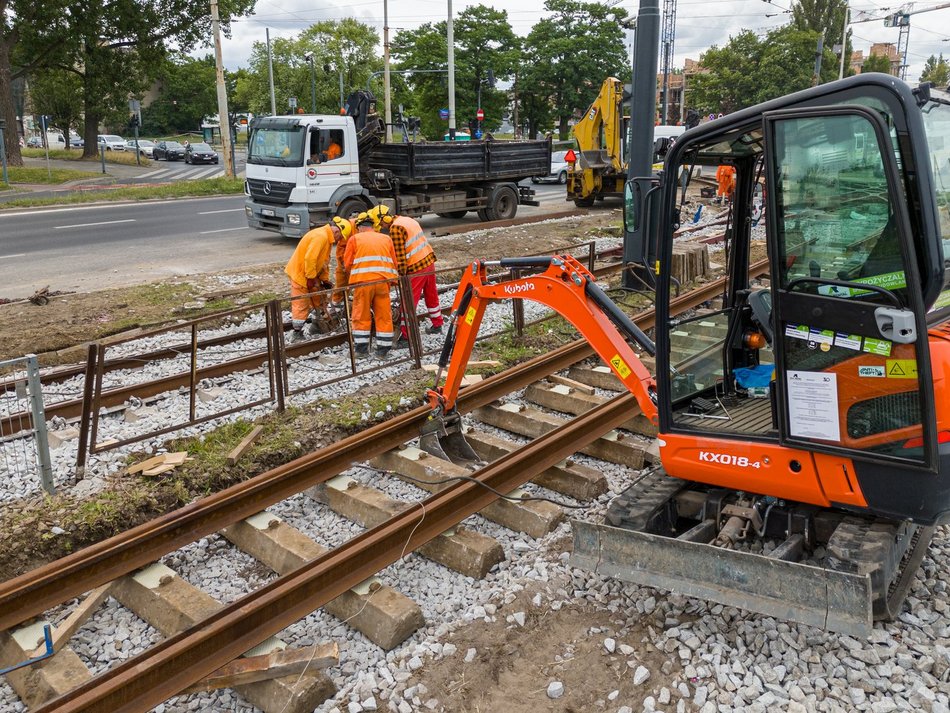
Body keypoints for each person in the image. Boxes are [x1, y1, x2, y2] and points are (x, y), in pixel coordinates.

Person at [367, 205, 443, 348]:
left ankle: (407, 337)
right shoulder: (406, 220)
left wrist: (399, 278)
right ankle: (437, 324)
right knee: (431, 294)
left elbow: (401, 259)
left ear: (385, 218)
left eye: (381, 223)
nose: (382, 227)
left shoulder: (395, 229)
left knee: (408, 303)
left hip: (416, 267)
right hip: (429, 261)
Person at [284, 216, 353, 343]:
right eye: (340, 237)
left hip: (311, 275)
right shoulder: (320, 237)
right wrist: (311, 278)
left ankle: (317, 327)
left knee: (319, 300)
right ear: (337, 231)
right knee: (301, 304)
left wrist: (324, 280)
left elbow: (323, 262)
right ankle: (297, 333)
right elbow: (310, 259)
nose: (339, 241)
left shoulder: (326, 238)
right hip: (301, 275)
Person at [345, 213, 398, 357]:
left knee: (361, 314)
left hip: (363, 283)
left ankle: (361, 350)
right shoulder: (386, 238)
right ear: (372, 227)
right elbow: (394, 261)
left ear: (360, 228)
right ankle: (382, 351)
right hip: (383, 282)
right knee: (384, 315)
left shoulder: (354, 239)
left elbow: (348, 264)